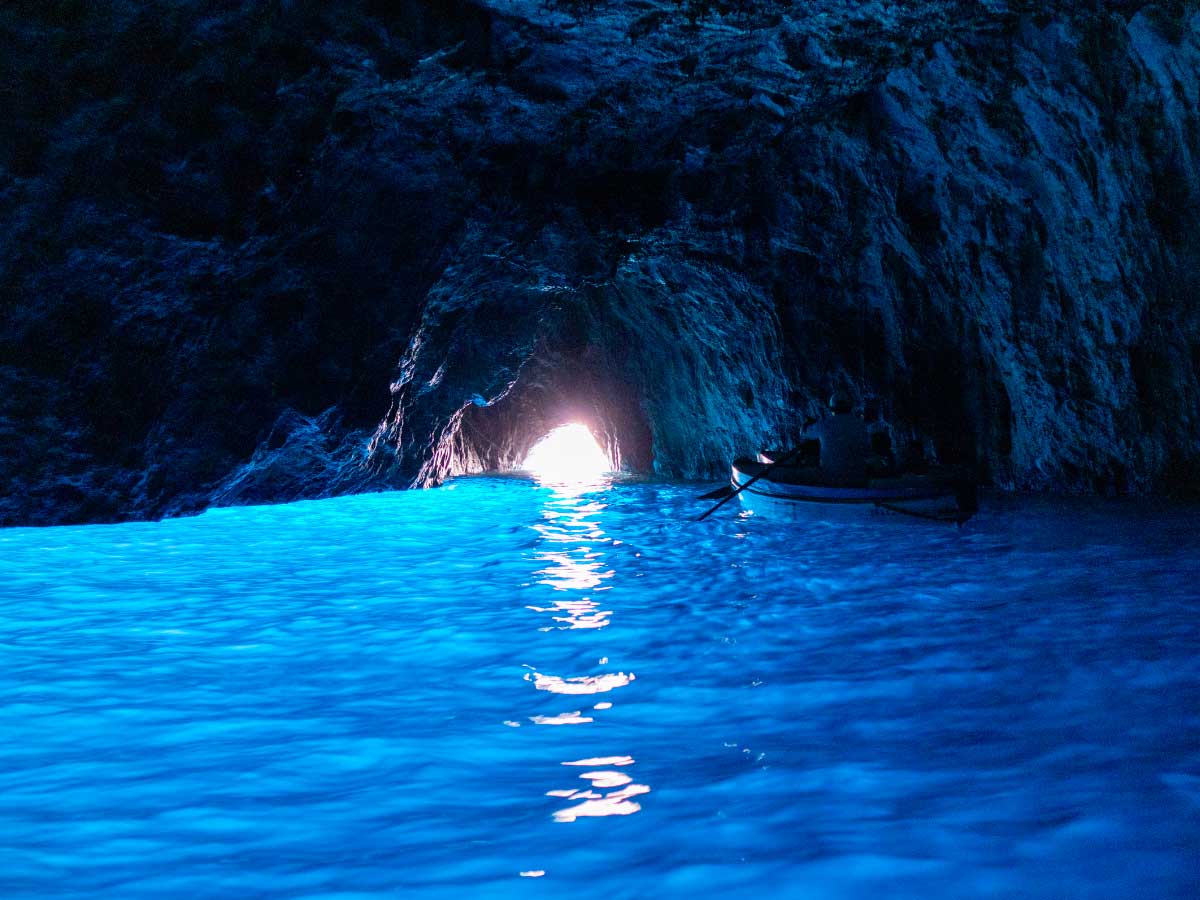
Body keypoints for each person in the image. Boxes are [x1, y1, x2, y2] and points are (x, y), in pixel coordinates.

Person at [810, 392, 869, 485]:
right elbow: (866, 448)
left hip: (829, 479)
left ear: (831, 408)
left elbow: (804, 434)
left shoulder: (823, 424)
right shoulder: (861, 425)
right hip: (857, 478)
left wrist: (808, 423)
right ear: (850, 407)